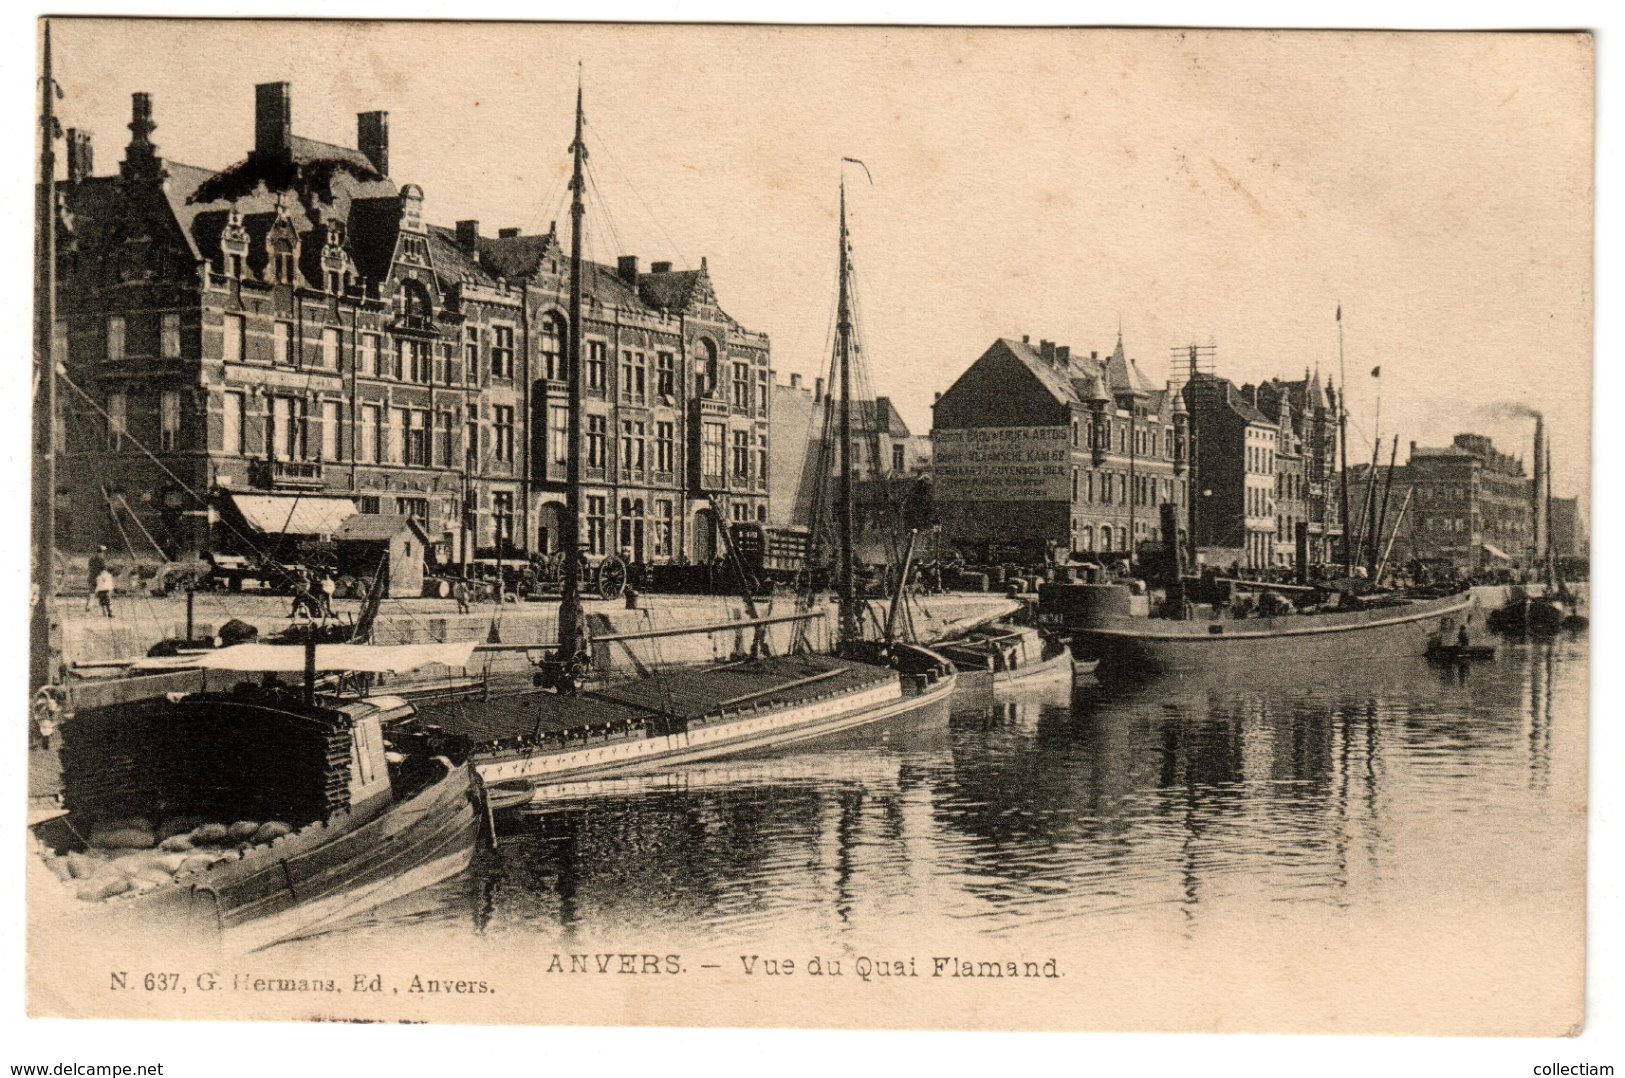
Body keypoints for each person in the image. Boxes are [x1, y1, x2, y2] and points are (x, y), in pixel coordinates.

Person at [85, 545, 108, 612]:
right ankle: (104, 610)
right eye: (103, 552)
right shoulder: (101, 559)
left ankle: (88, 608)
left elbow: (89, 568)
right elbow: (103, 570)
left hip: (91, 578)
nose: (104, 553)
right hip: (99, 579)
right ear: (102, 552)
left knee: (91, 594)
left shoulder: (92, 558)